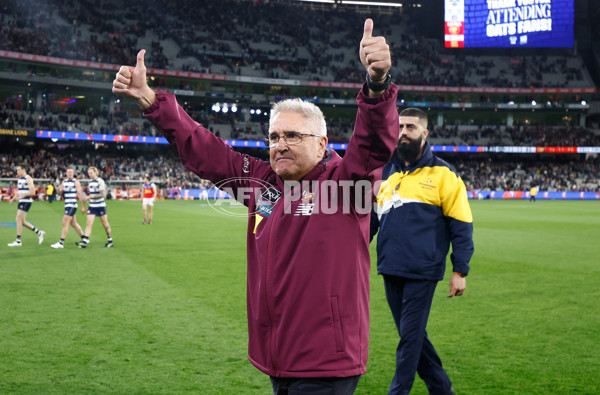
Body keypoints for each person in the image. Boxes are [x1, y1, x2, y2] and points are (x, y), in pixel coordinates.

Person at [113, 18, 399, 394]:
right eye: (274, 136)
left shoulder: (346, 186)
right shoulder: (263, 184)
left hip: (325, 363)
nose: (279, 144)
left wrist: (377, 87)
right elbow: (205, 150)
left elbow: (374, 145)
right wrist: (151, 100)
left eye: (292, 135)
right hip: (276, 357)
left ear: (321, 143)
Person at [370, 108, 475, 395]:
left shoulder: (444, 173)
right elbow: (373, 220)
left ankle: (398, 392)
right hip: (390, 267)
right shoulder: (387, 172)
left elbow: (462, 223)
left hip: (422, 269)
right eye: (400, 126)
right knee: (413, 336)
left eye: (411, 127)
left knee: (409, 340)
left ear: (424, 133)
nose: (403, 132)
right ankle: (442, 389)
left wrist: (460, 270)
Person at [7, 164, 45, 247]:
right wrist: (13, 199)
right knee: (22, 221)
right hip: (22, 200)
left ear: (23, 170)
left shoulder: (28, 179)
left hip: (26, 201)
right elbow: (18, 192)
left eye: (18, 170)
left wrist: (23, 195)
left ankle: (18, 241)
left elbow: (33, 192)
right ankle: (39, 233)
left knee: (18, 219)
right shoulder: (20, 179)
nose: (17, 171)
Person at [76, 166, 114, 248]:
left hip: (100, 206)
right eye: (89, 173)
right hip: (92, 206)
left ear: (95, 172)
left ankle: (110, 240)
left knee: (104, 223)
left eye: (91, 173)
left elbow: (102, 195)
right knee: (89, 223)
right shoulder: (90, 182)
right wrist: (87, 198)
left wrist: (90, 197)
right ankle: (85, 241)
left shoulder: (100, 181)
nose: (90, 174)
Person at [51, 166, 85, 249]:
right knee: (73, 224)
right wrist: (59, 190)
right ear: (66, 173)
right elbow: (59, 194)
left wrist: (83, 206)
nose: (70, 174)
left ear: (73, 173)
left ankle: (61, 243)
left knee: (65, 222)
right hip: (67, 204)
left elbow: (80, 193)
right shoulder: (64, 182)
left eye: (71, 172)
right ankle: (85, 239)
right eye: (68, 172)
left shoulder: (76, 182)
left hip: (72, 205)